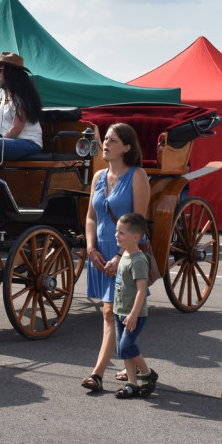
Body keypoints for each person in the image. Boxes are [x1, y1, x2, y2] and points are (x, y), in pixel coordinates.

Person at [80, 123, 150, 392]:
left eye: (112, 140)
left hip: (126, 255)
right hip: (100, 252)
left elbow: (139, 222)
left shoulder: (137, 175)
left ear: (127, 147)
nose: (105, 144)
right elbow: (90, 217)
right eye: (105, 139)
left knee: (111, 312)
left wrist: (120, 255)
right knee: (113, 314)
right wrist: (90, 248)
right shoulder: (98, 176)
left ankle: (97, 374)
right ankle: (139, 368)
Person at [112, 212, 159, 399]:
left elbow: (141, 290)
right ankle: (132, 384)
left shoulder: (139, 260)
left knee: (125, 348)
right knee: (124, 351)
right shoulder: (124, 255)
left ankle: (147, 374)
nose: (117, 235)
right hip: (119, 311)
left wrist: (133, 314)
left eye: (121, 233)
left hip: (134, 315)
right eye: (117, 231)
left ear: (136, 237)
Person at [0, 52, 43, 161]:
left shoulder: (21, 96)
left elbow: (16, 129)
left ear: (10, 72)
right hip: (13, 142)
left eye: (0, 70)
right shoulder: (4, 92)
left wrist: (0, 145)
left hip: (29, 143)